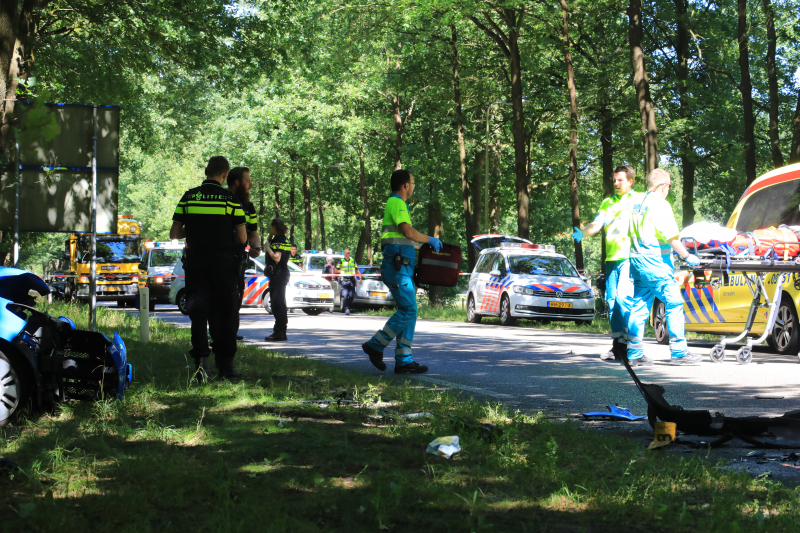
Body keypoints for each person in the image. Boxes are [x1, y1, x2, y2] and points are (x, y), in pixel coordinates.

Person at [170, 156, 247, 380]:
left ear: (206, 172)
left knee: (198, 313)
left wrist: (195, 229)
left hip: (196, 264)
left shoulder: (189, 197)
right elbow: (242, 238)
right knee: (225, 313)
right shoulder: (230, 199)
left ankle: (201, 365)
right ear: (224, 175)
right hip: (223, 265)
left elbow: (175, 234)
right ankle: (225, 365)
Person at [361, 169, 442, 374]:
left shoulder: (395, 203)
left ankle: (404, 360)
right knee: (409, 310)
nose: (413, 187)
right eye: (413, 184)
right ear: (406, 186)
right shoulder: (397, 203)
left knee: (409, 312)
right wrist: (430, 239)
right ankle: (375, 345)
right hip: (398, 269)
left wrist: (421, 248)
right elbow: (408, 232)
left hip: (401, 267)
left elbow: (402, 240)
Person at [626, 168, 702, 366]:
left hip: (637, 261)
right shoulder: (660, 205)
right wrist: (687, 256)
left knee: (639, 306)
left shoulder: (637, 202)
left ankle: (633, 353)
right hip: (656, 264)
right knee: (674, 302)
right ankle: (679, 352)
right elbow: (672, 238)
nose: (669, 190)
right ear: (663, 186)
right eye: (669, 186)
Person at [571, 165, 637, 361]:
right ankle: (618, 346)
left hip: (629, 258)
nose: (616, 183)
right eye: (614, 179)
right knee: (612, 302)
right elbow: (597, 224)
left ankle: (633, 346)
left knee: (624, 300)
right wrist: (583, 233)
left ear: (630, 181)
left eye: (620, 180)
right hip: (611, 260)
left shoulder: (637, 201)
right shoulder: (607, 203)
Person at [228, 167, 262, 341]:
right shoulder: (223, 201)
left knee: (237, 296)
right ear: (237, 182)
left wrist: (256, 247)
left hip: (240, 261)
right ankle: (219, 333)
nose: (251, 184)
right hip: (221, 258)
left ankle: (232, 333)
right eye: (247, 181)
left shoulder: (249, 206)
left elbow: (253, 233)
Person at [263, 218, 292, 342]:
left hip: (278, 274)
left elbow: (277, 257)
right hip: (280, 274)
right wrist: (270, 236)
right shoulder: (282, 238)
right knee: (279, 302)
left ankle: (279, 331)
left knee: (277, 303)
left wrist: (267, 248)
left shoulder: (278, 240)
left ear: (274, 227)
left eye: (271, 227)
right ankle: (281, 331)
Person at [335, 249, 360, 315]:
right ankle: (346, 308)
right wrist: (340, 271)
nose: (346, 254)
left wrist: (360, 278)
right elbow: (335, 270)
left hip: (351, 280)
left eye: (347, 253)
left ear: (349, 254)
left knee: (352, 296)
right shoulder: (341, 261)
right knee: (345, 295)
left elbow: (357, 270)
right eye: (345, 253)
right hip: (344, 280)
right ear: (344, 254)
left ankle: (346, 307)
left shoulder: (353, 261)